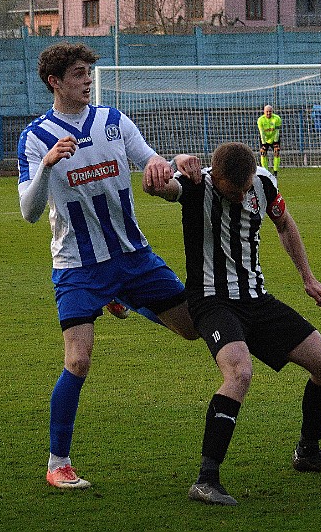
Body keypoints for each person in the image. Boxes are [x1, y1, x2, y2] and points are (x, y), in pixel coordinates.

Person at [17, 41, 202, 490]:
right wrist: (45, 166)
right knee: (78, 361)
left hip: (134, 256)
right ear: (54, 82)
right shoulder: (35, 137)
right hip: (78, 266)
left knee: (192, 328)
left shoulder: (113, 121)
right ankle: (58, 462)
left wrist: (169, 166)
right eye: (77, 74)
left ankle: (122, 297)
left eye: (87, 73)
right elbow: (29, 211)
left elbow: (152, 161)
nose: (86, 81)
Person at [143, 142, 321, 507]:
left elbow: (284, 224)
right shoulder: (195, 184)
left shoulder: (265, 184)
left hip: (257, 299)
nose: (240, 197)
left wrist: (308, 276)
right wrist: (172, 162)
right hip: (212, 300)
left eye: (244, 190)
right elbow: (157, 187)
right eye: (231, 191)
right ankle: (206, 478)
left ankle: (308, 452)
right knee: (239, 372)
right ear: (215, 176)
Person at [257, 104, 281, 175]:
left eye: (270, 111)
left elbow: (277, 132)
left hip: (274, 138)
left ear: (272, 111)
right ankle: (266, 172)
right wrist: (264, 144)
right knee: (263, 153)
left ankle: (275, 172)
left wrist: (276, 142)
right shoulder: (260, 120)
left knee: (276, 152)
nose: (268, 113)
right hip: (264, 138)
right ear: (264, 112)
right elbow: (262, 133)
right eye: (267, 111)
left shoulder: (277, 119)